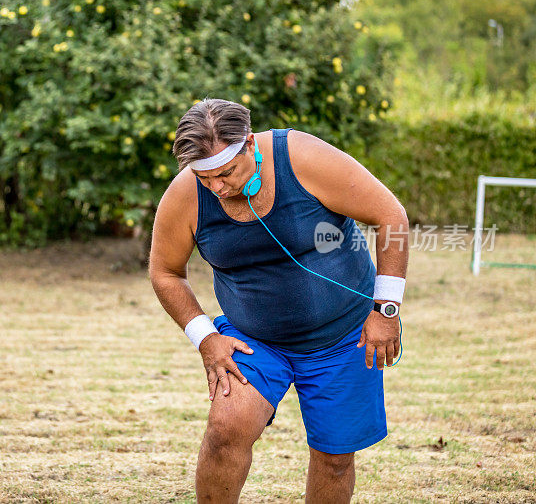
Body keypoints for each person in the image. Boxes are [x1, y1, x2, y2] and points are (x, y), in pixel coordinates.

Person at [148, 98, 409, 503]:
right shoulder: (185, 196)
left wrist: (385, 310)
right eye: (205, 177)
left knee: (334, 457)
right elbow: (165, 272)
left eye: (227, 172)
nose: (217, 186)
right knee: (225, 430)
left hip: (345, 336)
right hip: (254, 340)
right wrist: (205, 337)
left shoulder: (302, 157)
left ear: (250, 145)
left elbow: (391, 216)